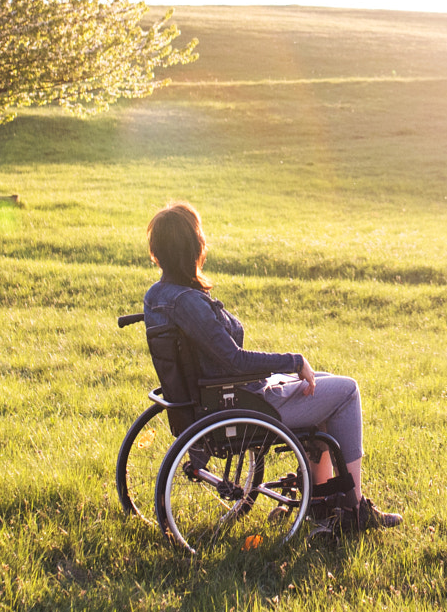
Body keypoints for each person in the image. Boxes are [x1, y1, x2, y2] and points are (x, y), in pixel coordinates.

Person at [141, 201, 400, 535]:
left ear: (159, 251)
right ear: (193, 247)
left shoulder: (158, 295)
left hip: (217, 396)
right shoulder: (189, 302)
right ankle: (354, 507)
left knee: (321, 384)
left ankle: (320, 504)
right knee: (346, 390)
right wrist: (292, 361)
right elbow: (234, 360)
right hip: (239, 401)